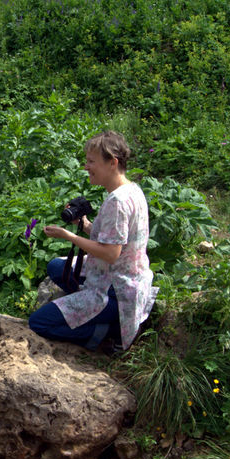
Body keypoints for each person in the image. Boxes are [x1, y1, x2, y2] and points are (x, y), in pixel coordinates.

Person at [28, 130, 157, 353]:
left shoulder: (117, 202)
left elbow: (110, 253)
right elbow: (117, 240)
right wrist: (86, 224)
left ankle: (103, 331)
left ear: (112, 163)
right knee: (56, 267)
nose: (86, 166)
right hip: (126, 276)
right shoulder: (131, 190)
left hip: (115, 288)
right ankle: (88, 312)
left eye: (91, 161)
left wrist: (69, 236)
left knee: (38, 323)